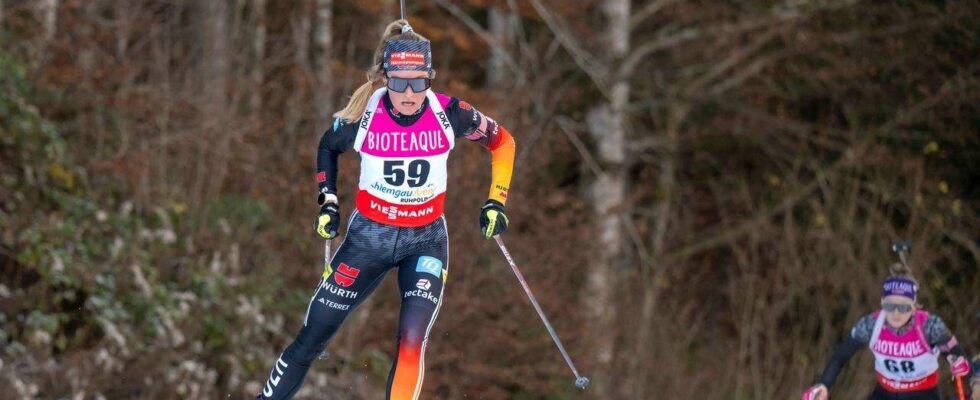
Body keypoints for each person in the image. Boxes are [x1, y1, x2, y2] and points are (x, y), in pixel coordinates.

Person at [257, 19, 516, 400]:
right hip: (368, 240)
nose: (409, 94)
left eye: (419, 82)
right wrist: (328, 202)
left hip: (425, 241)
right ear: (385, 78)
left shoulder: (452, 113)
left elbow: (503, 142)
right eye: (398, 83)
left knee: (412, 340)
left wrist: (496, 200)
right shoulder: (362, 116)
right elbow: (328, 148)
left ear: (431, 77)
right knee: (312, 337)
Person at [801, 263, 972, 400]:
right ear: (882, 302)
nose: (896, 313)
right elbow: (841, 355)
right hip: (884, 393)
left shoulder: (929, 326)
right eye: (890, 306)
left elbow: (956, 356)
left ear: (914, 307)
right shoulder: (872, 324)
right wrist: (823, 385)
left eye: (903, 307)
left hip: (922, 394)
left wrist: (959, 364)